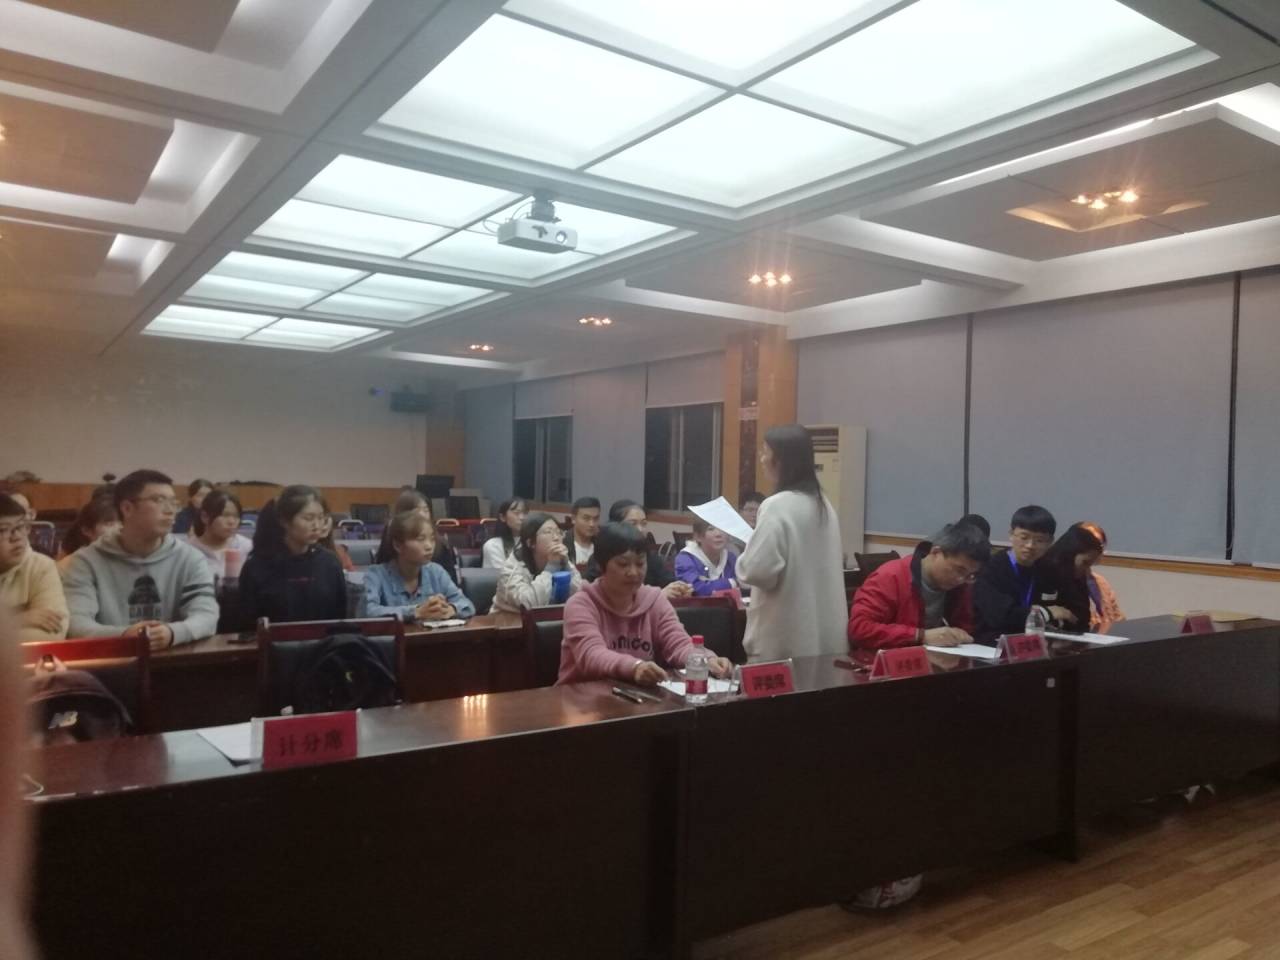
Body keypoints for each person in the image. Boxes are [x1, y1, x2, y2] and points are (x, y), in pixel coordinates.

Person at [559, 521, 733, 686]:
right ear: (601, 566)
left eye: (640, 563)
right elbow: (591, 655)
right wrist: (634, 667)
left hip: (636, 695)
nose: (634, 572)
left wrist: (705, 659)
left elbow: (678, 643)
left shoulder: (654, 599)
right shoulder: (581, 604)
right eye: (623, 564)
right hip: (581, 697)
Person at [61, 469, 218, 650]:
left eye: (173, 503)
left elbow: (207, 616)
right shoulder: (86, 562)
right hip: (110, 659)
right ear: (127, 508)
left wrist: (173, 632)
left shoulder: (190, 558)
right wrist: (125, 636)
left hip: (174, 658)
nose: (170, 511)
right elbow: (76, 625)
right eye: (159, 500)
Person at [736, 425, 846, 661]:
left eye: (766, 452)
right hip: (825, 640)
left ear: (781, 460)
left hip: (784, 641)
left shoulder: (777, 506)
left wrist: (743, 558)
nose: (762, 459)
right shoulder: (824, 505)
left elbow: (757, 571)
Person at [847, 523, 990, 655]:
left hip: (937, 663)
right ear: (936, 552)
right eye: (959, 570)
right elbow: (859, 629)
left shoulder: (962, 586)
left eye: (970, 575)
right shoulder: (891, 577)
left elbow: (965, 625)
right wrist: (920, 636)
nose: (961, 579)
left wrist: (961, 635)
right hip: (888, 664)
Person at [237, 485, 347, 629]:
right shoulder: (257, 566)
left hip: (324, 642)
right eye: (308, 518)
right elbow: (246, 623)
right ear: (285, 521)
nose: (316, 525)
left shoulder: (329, 562)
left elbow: (340, 617)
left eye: (321, 518)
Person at [973, 505, 1074, 643]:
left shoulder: (1049, 570)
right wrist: (1047, 613)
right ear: (1011, 534)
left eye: (1039, 540)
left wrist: (1054, 619)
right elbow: (1000, 616)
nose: (1030, 545)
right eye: (1024, 537)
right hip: (992, 644)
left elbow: (1063, 612)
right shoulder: (991, 568)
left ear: (1050, 542)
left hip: (1035, 644)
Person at [363, 510, 474, 622]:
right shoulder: (375, 574)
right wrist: (416, 612)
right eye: (421, 539)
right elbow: (367, 612)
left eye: (432, 539)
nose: (429, 546)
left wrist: (450, 609)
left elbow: (467, 605)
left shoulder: (436, 572)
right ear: (397, 545)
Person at [585, 500, 691, 598]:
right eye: (633, 524)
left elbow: (667, 581)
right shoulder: (601, 557)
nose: (640, 529)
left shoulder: (651, 557)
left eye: (643, 524)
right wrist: (658, 595)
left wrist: (679, 589)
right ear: (616, 525)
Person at [0, 494, 68, 642]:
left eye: (20, 527)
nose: (17, 537)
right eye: (3, 530)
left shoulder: (41, 567)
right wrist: (17, 620)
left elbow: (52, 633)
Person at [490, 512, 583, 614]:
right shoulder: (512, 567)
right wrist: (551, 567)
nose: (556, 538)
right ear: (530, 542)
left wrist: (566, 566)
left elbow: (581, 596)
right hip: (508, 620)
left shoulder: (559, 559)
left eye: (558, 532)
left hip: (548, 620)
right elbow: (528, 604)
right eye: (548, 532)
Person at [377, 489, 459, 585]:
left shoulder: (441, 545)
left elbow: (452, 584)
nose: (422, 515)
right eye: (417, 510)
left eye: (426, 510)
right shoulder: (391, 538)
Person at [1036, 523, 1106, 632]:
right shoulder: (1044, 571)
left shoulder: (1079, 577)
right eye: (1085, 563)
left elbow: (1083, 618)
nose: (1087, 569)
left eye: (1090, 565)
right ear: (1069, 554)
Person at [188, 489, 254, 581]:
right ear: (205, 517)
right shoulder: (188, 551)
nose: (231, 522)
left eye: (236, 516)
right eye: (225, 515)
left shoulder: (247, 547)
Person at [1079, 522, 1125, 632]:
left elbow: (1118, 617)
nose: (1098, 551)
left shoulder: (1100, 581)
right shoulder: (1064, 581)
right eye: (1091, 545)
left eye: (1100, 545)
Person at [56, 493, 120, 573]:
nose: (118, 528)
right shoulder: (71, 565)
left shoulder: (129, 559)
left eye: (121, 522)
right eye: (109, 524)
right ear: (87, 531)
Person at [674, 519, 738, 596]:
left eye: (722, 528)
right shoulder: (685, 558)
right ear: (698, 536)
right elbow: (696, 589)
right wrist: (733, 582)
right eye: (711, 529)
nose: (718, 534)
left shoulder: (730, 557)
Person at [481, 498, 526, 569]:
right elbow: (504, 573)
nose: (522, 517)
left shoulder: (532, 542)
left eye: (525, 513)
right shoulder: (493, 545)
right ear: (502, 517)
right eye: (516, 513)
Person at [568, 496, 601, 569]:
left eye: (596, 518)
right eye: (586, 518)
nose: (592, 524)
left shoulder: (603, 543)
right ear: (573, 519)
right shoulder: (563, 544)